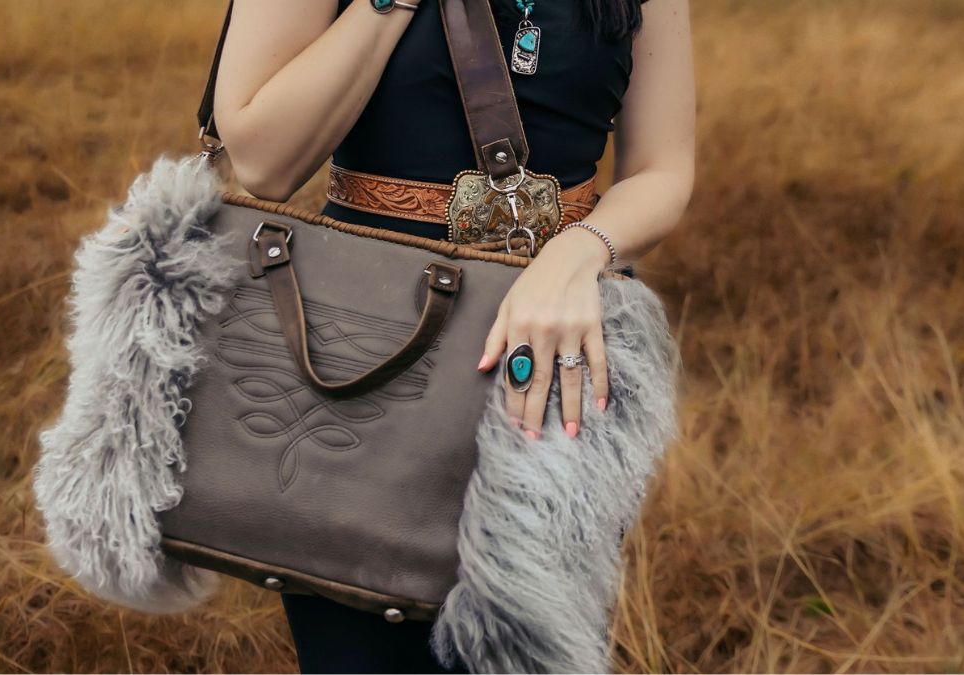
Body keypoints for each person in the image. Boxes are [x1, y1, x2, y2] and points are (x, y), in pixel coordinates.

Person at [210, 0, 694, 671]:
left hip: (548, 371)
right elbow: (262, 159)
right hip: (365, 362)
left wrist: (580, 251)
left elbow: (662, 169)